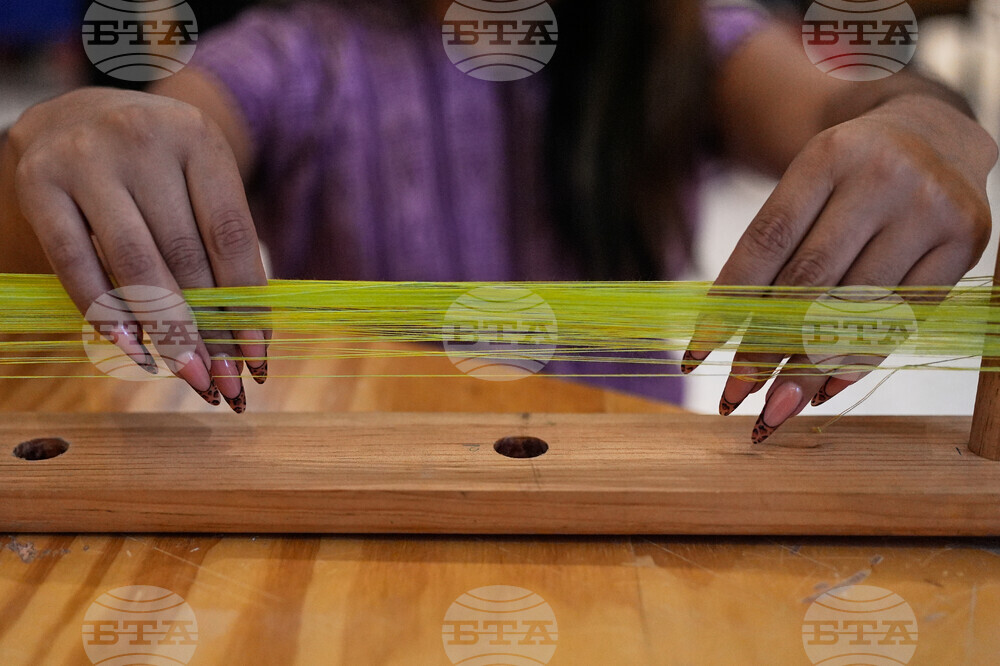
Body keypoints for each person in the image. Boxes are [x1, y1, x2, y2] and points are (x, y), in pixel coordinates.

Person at [0, 0, 995, 443]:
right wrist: (76, 145)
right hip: (357, 524)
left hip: (632, 522)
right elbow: (164, 130)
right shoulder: (298, 55)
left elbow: (844, 108)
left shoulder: (680, 39)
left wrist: (922, 124)